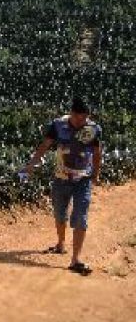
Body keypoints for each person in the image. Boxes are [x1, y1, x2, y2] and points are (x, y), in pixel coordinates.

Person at [23, 97, 102, 276]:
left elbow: (97, 153)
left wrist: (96, 174)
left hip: (83, 179)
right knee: (60, 213)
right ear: (71, 114)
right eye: (78, 118)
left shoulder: (93, 129)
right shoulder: (58, 125)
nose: (81, 122)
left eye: (84, 118)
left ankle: (76, 259)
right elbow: (45, 145)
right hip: (61, 178)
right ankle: (60, 244)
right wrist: (31, 165)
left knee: (80, 216)